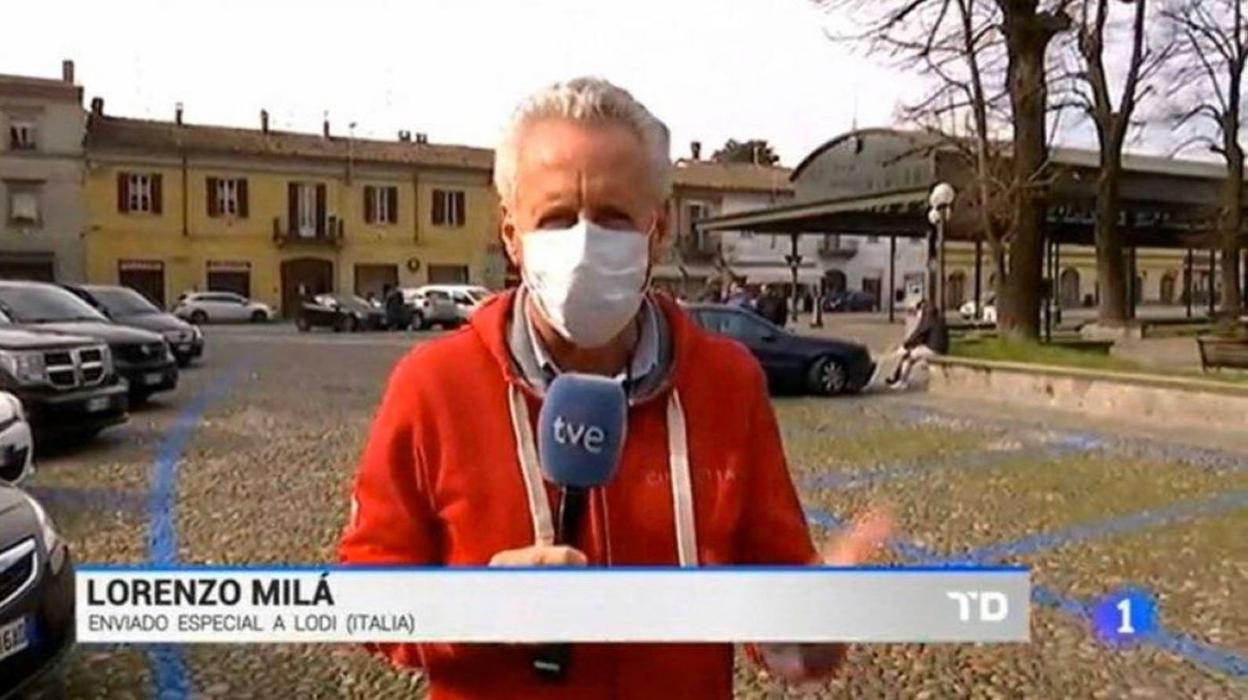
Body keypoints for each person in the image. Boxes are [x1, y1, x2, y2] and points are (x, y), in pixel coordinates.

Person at [337, 77, 890, 699]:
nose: (582, 245)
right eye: (555, 218)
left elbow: (775, 583)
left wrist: (804, 632)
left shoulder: (728, 383)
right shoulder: (433, 385)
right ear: (511, 235)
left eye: (612, 217)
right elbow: (366, 595)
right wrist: (478, 608)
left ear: (657, 229)